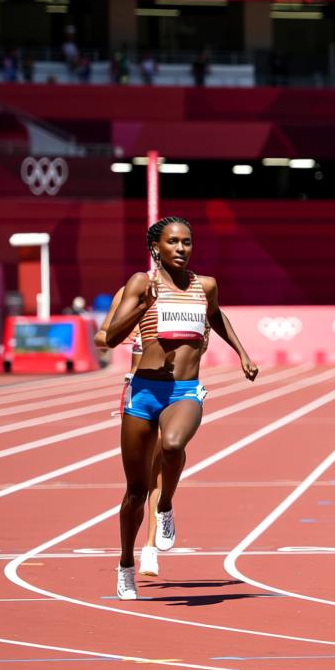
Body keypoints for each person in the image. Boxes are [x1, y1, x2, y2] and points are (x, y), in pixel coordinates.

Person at [103, 216, 258, 599]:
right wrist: (144, 307)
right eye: (173, 242)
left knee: (172, 446)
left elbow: (216, 316)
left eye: (187, 242)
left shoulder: (205, 285)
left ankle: (167, 506)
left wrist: (242, 353)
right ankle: (126, 564)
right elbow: (110, 337)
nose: (181, 249)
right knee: (135, 491)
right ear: (157, 247)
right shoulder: (144, 283)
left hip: (184, 390)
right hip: (142, 392)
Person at [96, 285, 163, 577]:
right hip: (138, 391)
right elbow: (102, 337)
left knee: (163, 465)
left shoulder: (189, 290)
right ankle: (128, 555)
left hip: (174, 390)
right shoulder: (128, 291)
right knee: (139, 480)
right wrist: (131, 329)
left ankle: (150, 548)